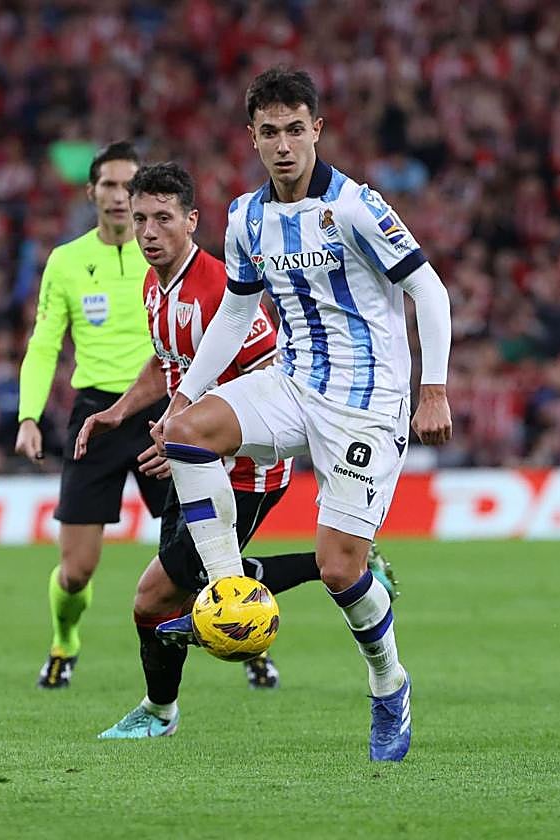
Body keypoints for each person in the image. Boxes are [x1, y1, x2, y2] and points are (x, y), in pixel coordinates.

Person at [150, 67, 452, 762]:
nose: (283, 144)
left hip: (366, 405)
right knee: (188, 435)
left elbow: (429, 293)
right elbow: (234, 311)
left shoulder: (356, 208)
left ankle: (389, 683)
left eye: (295, 129)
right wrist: (185, 395)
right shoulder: (246, 217)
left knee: (340, 568)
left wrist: (433, 389)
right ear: (251, 138)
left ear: (317, 128)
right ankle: (229, 589)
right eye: (269, 132)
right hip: (292, 381)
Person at [74, 162, 396, 737]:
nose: (148, 232)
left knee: (153, 598)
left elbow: (266, 371)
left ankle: (160, 712)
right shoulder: (157, 286)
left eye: (163, 219)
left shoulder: (217, 287)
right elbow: (167, 362)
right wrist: (121, 412)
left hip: (241, 473)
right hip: (191, 460)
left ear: (192, 222)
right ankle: (345, 573)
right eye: (140, 219)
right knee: (171, 595)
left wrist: (195, 435)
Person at [16, 141, 165, 689]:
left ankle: (246, 644)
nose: (120, 196)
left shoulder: (168, 253)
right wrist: (29, 415)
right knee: (76, 570)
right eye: (109, 185)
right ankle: (65, 641)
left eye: (131, 186)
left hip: (162, 409)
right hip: (95, 413)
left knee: (204, 547)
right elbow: (44, 344)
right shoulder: (67, 261)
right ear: (92, 192)